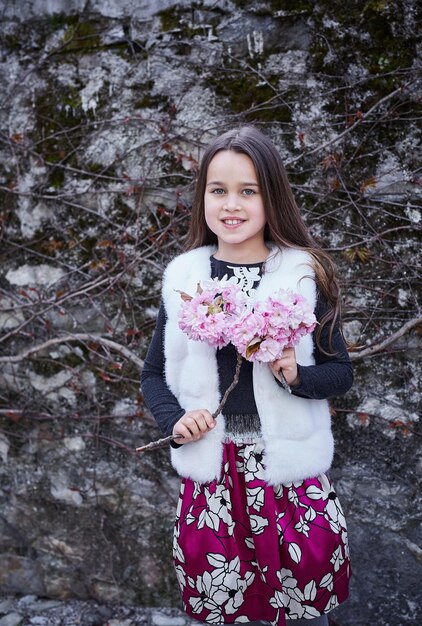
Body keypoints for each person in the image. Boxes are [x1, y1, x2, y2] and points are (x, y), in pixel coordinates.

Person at [141, 126, 353, 626]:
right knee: (222, 606)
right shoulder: (185, 278)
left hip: (290, 479)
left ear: (271, 197)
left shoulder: (302, 274)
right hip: (213, 479)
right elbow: (154, 374)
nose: (230, 205)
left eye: (248, 191)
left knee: (304, 606)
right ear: (203, 199)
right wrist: (175, 421)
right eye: (218, 190)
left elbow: (340, 373)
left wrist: (294, 375)